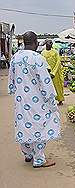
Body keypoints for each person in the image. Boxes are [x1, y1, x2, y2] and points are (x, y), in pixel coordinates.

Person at [8, 31, 60, 168]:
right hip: (37, 101)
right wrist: (51, 99)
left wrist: (14, 90)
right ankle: (39, 159)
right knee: (40, 125)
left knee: (24, 125)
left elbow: (11, 80)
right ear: (36, 42)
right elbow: (45, 81)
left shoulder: (15, 57)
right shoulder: (38, 58)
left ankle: (28, 154)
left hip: (21, 100)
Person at [42, 40, 64, 105]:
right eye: (48, 43)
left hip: (55, 73)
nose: (50, 44)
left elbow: (58, 62)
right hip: (46, 73)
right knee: (48, 87)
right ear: (46, 44)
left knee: (58, 86)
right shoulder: (43, 53)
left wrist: (53, 72)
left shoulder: (55, 52)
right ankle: (50, 100)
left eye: (51, 43)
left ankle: (60, 100)